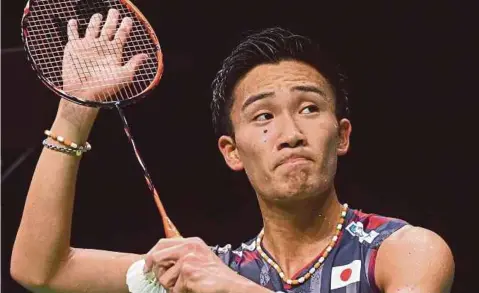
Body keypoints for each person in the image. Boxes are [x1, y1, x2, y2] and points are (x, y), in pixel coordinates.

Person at [10, 9, 455, 293]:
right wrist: (74, 111)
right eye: (263, 117)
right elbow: (42, 269)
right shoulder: (209, 270)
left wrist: (228, 288)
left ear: (341, 136)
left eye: (309, 108)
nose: (291, 133)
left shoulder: (402, 250)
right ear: (232, 151)